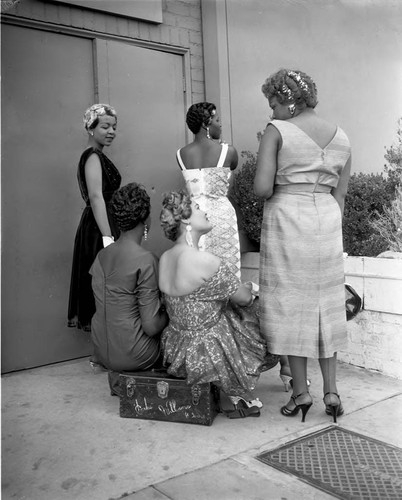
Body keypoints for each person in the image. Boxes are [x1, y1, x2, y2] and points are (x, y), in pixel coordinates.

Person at [254, 69, 352, 423]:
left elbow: (263, 188)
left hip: (287, 220)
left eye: (274, 104)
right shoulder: (341, 136)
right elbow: (339, 194)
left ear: (289, 101)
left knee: (291, 305)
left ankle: (301, 393)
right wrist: (323, 220)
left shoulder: (276, 131)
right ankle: (332, 391)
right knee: (326, 304)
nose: (272, 112)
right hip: (325, 220)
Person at [158, 191, 279, 419]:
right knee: (257, 306)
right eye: (196, 207)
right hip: (208, 354)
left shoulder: (165, 258)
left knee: (219, 305)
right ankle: (233, 385)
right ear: (185, 220)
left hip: (177, 351)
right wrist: (249, 288)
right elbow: (244, 298)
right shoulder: (205, 261)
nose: (204, 211)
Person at [90, 183, 168, 396]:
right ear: (146, 220)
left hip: (102, 351)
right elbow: (151, 326)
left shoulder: (101, 256)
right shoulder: (146, 260)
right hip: (136, 355)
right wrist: (171, 310)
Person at [68, 103, 121, 332]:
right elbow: (96, 196)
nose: (111, 132)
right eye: (105, 127)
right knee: (101, 289)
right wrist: (108, 237)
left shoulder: (98, 156)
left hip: (104, 225)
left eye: (114, 127)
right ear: (91, 128)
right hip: (98, 230)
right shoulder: (92, 157)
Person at [176, 102, 241, 278]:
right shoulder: (228, 151)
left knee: (198, 271)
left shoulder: (181, 154)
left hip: (193, 217)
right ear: (206, 124)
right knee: (225, 269)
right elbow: (233, 166)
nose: (220, 124)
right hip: (222, 217)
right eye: (217, 119)